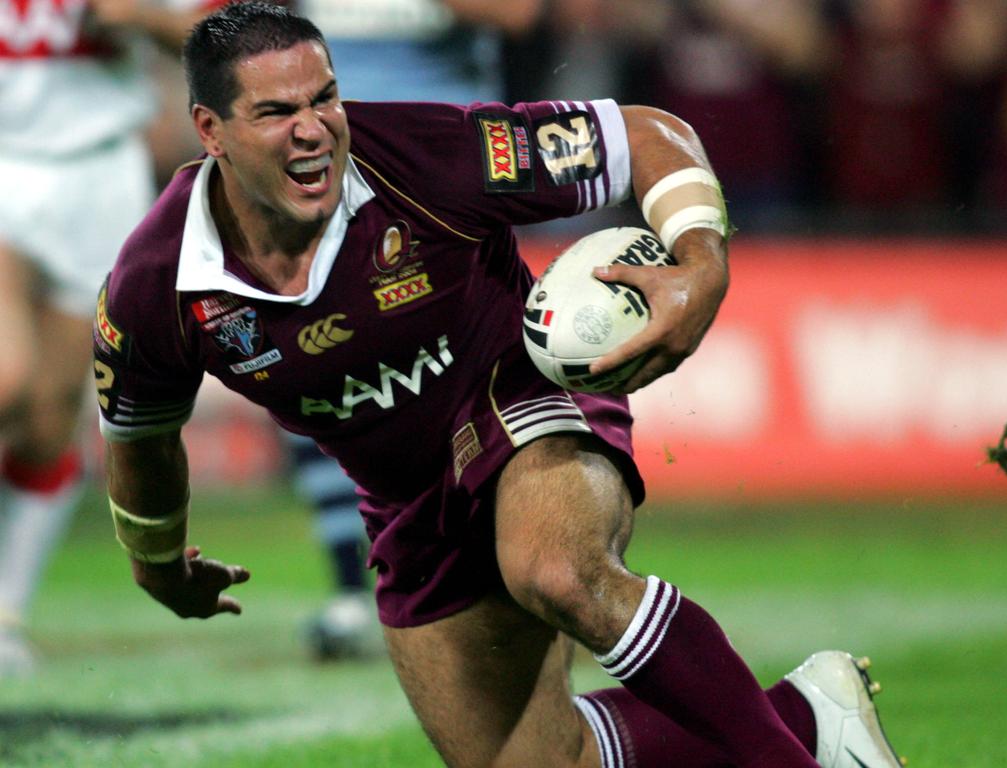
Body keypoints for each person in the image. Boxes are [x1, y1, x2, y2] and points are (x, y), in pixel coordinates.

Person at [95, 3, 908, 765]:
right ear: (211, 130)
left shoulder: (424, 157)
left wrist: (701, 259)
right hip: (407, 498)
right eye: (276, 113)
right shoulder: (158, 282)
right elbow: (138, 434)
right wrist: (158, 563)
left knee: (555, 569)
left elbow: (641, 134)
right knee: (534, 758)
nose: (313, 131)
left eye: (325, 99)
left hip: (516, 392)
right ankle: (810, 716)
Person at [291, 0, 544, 660]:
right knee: (311, 349)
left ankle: (497, 569)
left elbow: (515, 13)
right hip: (322, 146)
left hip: (437, 151)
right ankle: (356, 586)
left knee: (459, 366)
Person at [0, 0, 223, 676]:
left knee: (49, 419)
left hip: (99, 173)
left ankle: (6, 612)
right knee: (7, 376)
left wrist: (142, 16)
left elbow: (225, 40)